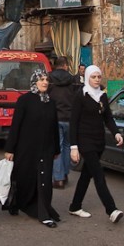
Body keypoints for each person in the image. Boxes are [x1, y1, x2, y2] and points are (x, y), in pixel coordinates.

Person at [3, 69, 61, 228]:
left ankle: (44, 212)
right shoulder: (24, 100)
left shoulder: (50, 102)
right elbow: (16, 126)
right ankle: (18, 203)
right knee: (24, 179)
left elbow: (54, 126)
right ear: (34, 82)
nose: (44, 82)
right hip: (27, 149)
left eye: (46, 80)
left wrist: (56, 149)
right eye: (41, 79)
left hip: (46, 148)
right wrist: (10, 149)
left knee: (45, 181)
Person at [68, 65, 124, 224]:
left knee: (86, 174)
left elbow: (108, 118)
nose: (97, 79)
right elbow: (73, 122)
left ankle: (75, 206)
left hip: (99, 141)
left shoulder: (103, 96)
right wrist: (74, 146)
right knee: (99, 175)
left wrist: (116, 133)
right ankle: (111, 209)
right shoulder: (81, 96)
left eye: (99, 77)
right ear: (87, 78)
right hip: (85, 141)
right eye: (93, 77)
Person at [48, 56, 80, 190]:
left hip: (55, 117)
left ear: (55, 65)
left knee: (57, 148)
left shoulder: (48, 79)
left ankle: (58, 178)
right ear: (66, 66)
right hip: (70, 117)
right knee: (68, 146)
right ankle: (65, 174)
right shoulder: (73, 79)